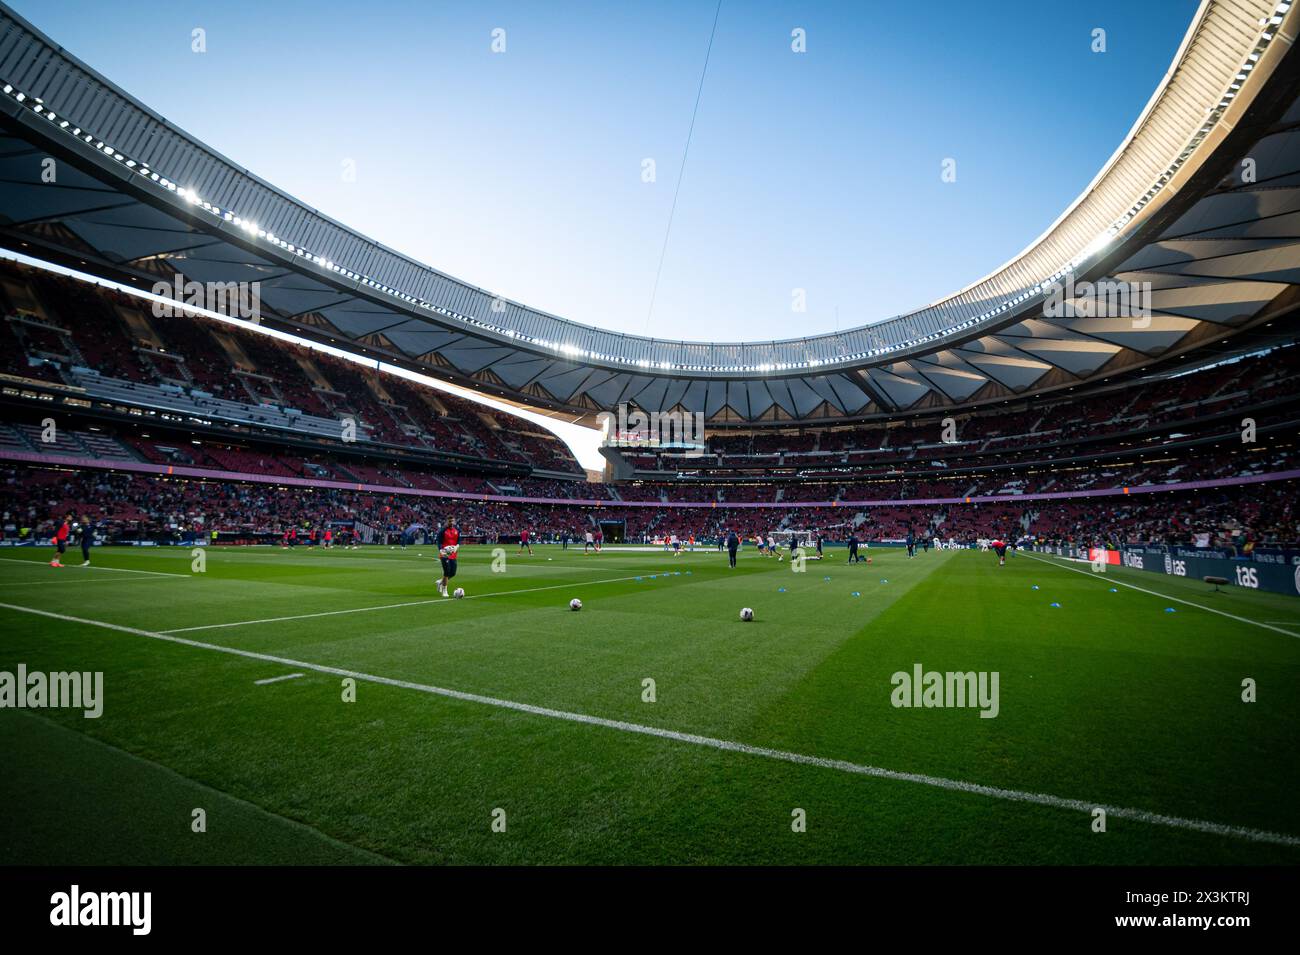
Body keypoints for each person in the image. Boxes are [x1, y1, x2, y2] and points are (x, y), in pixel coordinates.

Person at [436, 516, 460, 597]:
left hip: (453, 554)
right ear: (447, 522)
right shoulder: (442, 531)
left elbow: (458, 542)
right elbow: (439, 542)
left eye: (452, 521)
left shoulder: (457, 530)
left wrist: (456, 547)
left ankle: (440, 582)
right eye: (450, 521)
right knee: (446, 572)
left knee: (453, 573)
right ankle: (444, 590)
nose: (451, 523)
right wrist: (441, 550)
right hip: (444, 553)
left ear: (454, 522)